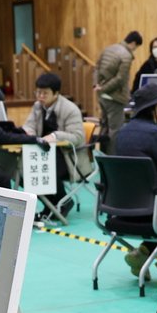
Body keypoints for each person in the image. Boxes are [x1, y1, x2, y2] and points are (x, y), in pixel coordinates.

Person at [112, 83, 157, 276]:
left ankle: (143, 253)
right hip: (152, 211)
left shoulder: (122, 133)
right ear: (153, 108)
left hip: (122, 209)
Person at [23, 71, 90, 213]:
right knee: (23, 171)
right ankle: (52, 205)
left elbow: (78, 137)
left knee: (44, 169)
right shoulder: (37, 106)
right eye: (38, 92)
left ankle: (62, 202)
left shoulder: (70, 109)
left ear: (56, 93)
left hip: (68, 156)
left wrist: (55, 136)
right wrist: (30, 134)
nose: (40, 97)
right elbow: (28, 126)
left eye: (45, 93)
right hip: (44, 153)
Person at [93, 30, 143, 150]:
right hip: (115, 97)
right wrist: (104, 89)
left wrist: (97, 86)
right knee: (115, 130)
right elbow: (120, 79)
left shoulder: (108, 49)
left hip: (102, 97)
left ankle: (103, 155)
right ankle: (113, 157)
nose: (134, 50)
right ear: (133, 43)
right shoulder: (126, 56)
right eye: (136, 47)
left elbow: (96, 68)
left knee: (104, 128)